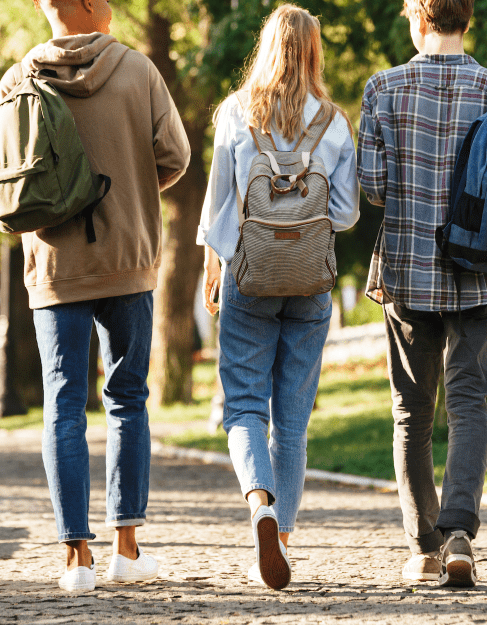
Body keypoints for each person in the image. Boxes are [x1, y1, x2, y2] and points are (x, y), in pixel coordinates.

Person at [0, 0, 190, 591]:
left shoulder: (17, 79)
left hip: (54, 263)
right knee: (127, 400)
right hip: (127, 261)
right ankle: (127, 548)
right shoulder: (138, 70)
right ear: (91, 6)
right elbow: (174, 157)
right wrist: (128, 187)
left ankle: (76, 558)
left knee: (63, 403)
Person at [357, 0, 487, 588]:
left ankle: (423, 547)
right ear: (467, 20)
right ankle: (460, 535)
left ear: (418, 19)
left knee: (412, 412)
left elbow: (374, 188)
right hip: (482, 267)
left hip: (409, 269)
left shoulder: (382, 88)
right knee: (468, 403)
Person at [198, 4, 359, 591]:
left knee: (243, 406)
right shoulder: (335, 123)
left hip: (249, 276)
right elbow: (343, 215)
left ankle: (260, 506)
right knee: (292, 424)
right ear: (314, 54)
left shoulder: (235, 114)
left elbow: (219, 207)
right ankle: (282, 541)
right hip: (311, 284)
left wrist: (213, 269)